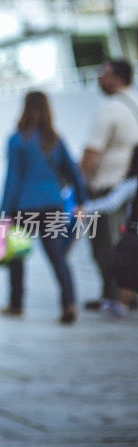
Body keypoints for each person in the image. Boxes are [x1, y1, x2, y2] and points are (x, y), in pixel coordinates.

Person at [0, 91, 87, 325]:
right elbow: (73, 172)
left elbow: (13, 179)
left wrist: (3, 213)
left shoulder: (17, 140)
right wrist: (81, 201)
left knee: (17, 258)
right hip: (52, 206)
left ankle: (16, 305)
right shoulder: (56, 140)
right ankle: (69, 303)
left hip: (23, 207)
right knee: (58, 257)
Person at [79, 60, 138, 312]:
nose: (99, 78)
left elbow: (93, 151)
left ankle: (116, 296)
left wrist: (78, 184)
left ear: (117, 77)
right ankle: (119, 294)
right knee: (121, 241)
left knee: (105, 245)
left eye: (103, 73)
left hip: (107, 185)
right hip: (129, 185)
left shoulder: (110, 108)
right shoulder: (134, 103)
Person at [77, 146, 138, 317]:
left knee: (126, 271)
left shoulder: (132, 183)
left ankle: (121, 305)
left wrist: (86, 208)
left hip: (134, 234)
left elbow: (111, 203)